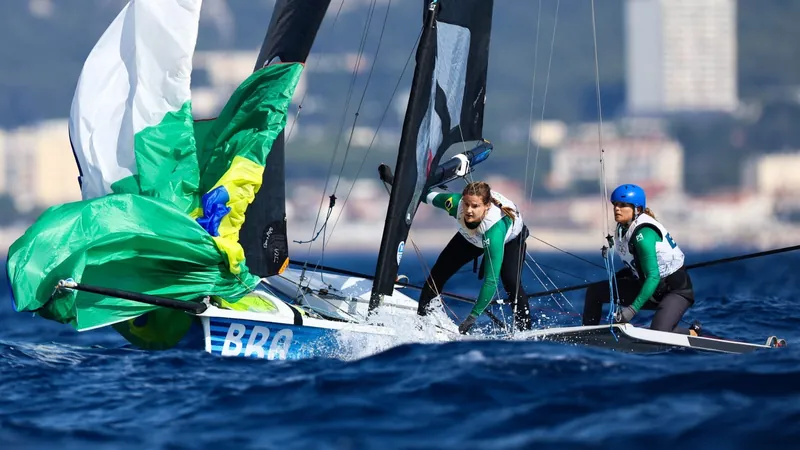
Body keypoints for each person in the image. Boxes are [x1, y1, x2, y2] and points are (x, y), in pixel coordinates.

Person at [582, 183, 700, 335]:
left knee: (659, 333)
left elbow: (653, 276)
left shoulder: (643, 234)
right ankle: (587, 334)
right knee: (595, 291)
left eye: (623, 205)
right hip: (647, 287)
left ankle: (693, 332)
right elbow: (639, 262)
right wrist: (627, 272)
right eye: (615, 204)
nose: (617, 208)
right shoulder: (622, 228)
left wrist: (631, 311)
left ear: (637, 209)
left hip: (675, 292)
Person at [417, 181, 533, 334]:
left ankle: (524, 331)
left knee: (511, 282)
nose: (469, 210)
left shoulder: (495, 231)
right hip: (471, 238)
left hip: (510, 240)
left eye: (475, 206)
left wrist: (472, 317)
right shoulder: (454, 203)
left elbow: (491, 281)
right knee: (437, 275)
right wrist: (394, 181)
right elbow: (425, 195)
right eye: (466, 204)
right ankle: (421, 321)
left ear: (487, 206)